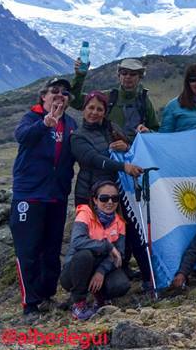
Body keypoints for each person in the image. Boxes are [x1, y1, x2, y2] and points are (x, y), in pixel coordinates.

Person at [10, 77, 77, 318]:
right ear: (44, 97)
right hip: (29, 195)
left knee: (51, 250)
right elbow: (22, 136)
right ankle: (30, 303)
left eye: (65, 93)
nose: (60, 95)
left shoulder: (70, 124)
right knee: (28, 250)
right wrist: (45, 124)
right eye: (54, 92)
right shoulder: (32, 118)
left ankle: (47, 296)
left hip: (56, 196)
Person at [69, 91, 147, 291]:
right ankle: (83, 280)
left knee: (124, 231)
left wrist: (126, 145)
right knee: (91, 236)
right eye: (91, 108)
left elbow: (130, 150)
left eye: (99, 109)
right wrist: (123, 167)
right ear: (84, 109)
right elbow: (93, 159)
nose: (94, 113)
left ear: (105, 112)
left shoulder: (112, 128)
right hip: (89, 193)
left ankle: (120, 271)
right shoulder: (77, 136)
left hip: (114, 192)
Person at [60, 181, 130, 320]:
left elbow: (119, 254)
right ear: (95, 200)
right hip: (75, 271)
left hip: (101, 269)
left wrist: (101, 271)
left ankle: (100, 298)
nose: (110, 202)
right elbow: (77, 241)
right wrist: (107, 246)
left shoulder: (119, 222)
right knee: (84, 255)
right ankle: (79, 303)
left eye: (114, 198)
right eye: (104, 198)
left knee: (121, 285)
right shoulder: (85, 214)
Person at [70, 57, 159, 135]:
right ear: (119, 75)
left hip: (136, 151)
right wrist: (79, 76)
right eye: (124, 73)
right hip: (106, 150)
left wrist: (148, 132)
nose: (128, 77)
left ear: (140, 77)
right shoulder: (107, 96)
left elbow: (156, 130)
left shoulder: (144, 101)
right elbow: (74, 101)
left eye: (133, 74)